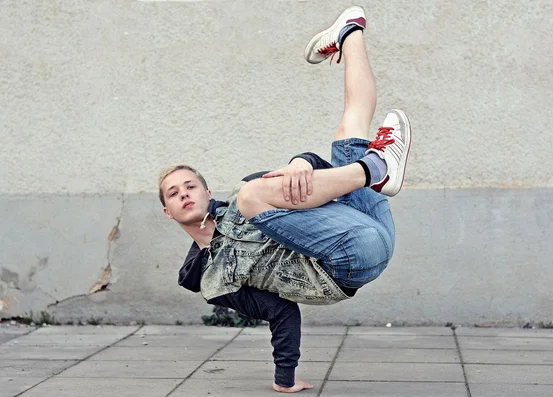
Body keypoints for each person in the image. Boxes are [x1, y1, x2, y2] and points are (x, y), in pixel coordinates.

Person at [158, 5, 411, 393]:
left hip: (359, 222)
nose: (185, 194)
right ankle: (375, 169)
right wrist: (284, 380)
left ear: (207, 192)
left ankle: (351, 31)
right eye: (175, 193)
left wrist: (298, 162)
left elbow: (309, 172)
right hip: (344, 265)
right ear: (168, 212)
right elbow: (281, 311)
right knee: (252, 194)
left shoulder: (243, 204)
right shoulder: (213, 280)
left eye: (190, 186)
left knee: (351, 126)